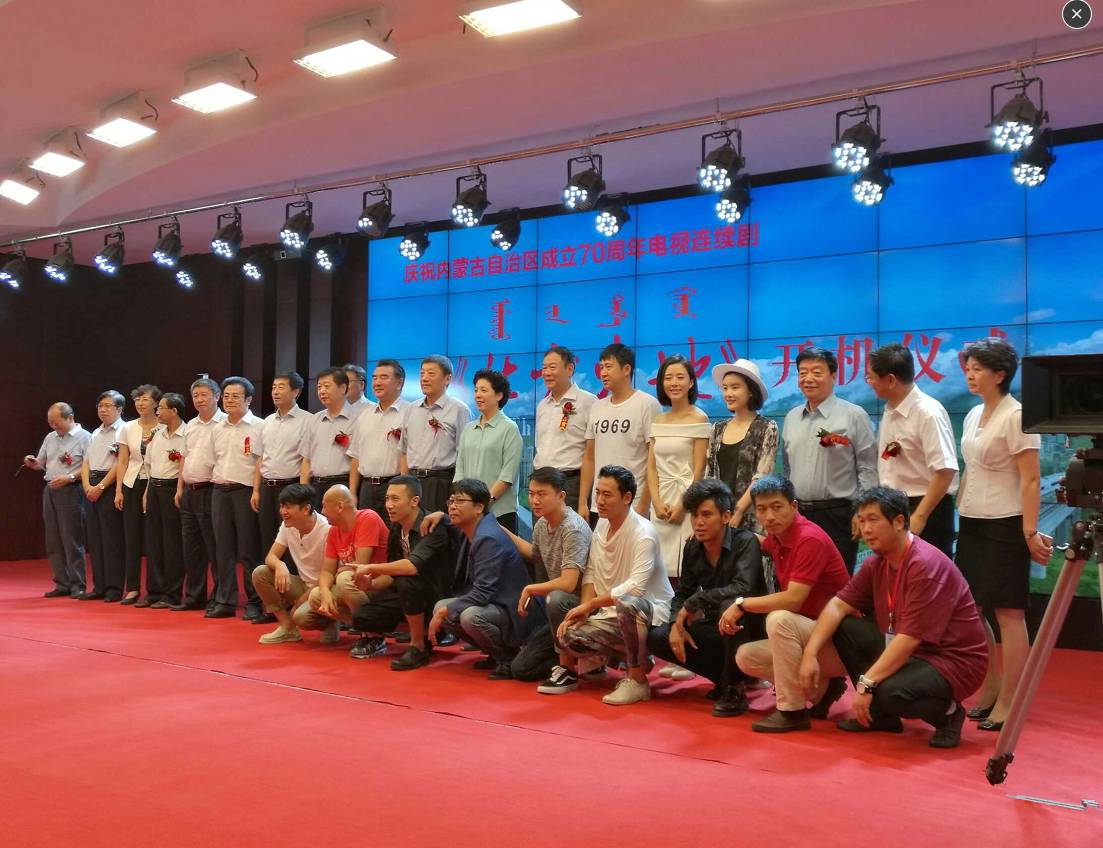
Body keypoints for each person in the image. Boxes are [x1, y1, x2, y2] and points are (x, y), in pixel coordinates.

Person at [800, 487, 988, 748]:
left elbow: (909, 640)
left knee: (889, 692)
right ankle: (880, 716)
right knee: (844, 626)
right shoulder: (877, 562)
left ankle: (948, 714)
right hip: (912, 648)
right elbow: (837, 606)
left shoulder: (923, 565)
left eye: (873, 520)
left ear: (899, 521)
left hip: (953, 661)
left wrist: (866, 685)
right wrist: (810, 654)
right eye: (861, 521)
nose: (866, 530)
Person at [956, 337, 1050, 731]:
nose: (970, 375)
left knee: (1008, 613)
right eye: (968, 368)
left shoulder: (1017, 415)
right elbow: (970, 470)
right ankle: (991, 685)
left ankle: (1012, 698)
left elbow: (1031, 480)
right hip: (972, 521)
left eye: (977, 369)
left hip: (1007, 522)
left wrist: (1030, 531)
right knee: (975, 609)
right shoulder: (972, 414)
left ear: (1000, 374)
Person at [732, 475, 851, 732]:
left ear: (794, 506)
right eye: (762, 509)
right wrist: (725, 534)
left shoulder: (809, 539)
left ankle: (792, 711)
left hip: (841, 640)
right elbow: (761, 542)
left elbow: (793, 600)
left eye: (777, 507)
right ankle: (824, 687)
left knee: (779, 619)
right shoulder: (778, 536)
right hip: (812, 632)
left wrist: (741, 604)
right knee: (746, 657)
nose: (769, 516)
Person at [549, 465, 674, 704]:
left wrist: (591, 605)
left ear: (626, 497)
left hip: (650, 614)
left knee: (628, 603)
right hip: (610, 613)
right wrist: (585, 611)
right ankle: (630, 657)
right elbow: (591, 573)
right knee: (567, 636)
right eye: (597, 493)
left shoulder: (643, 533)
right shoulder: (602, 524)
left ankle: (637, 680)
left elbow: (636, 589)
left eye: (607, 494)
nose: (599, 500)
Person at [646, 479, 767, 717]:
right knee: (657, 637)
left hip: (750, 629)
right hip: (715, 627)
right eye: (694, 515)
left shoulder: (745, 541)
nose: (698, 522)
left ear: (725, 516)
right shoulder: (692, 548)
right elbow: (683, 592)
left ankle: (735, 687)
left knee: (730, 606)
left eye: (706, 515)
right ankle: (724, 680)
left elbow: (742, 588)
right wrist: (675, 624)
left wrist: (696, 601)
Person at [427, 479, 543, 679]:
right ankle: (495, 655)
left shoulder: (488, 537)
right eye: (451, 501)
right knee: (441, 607)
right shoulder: (475, 525)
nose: (452, 506)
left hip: (515, 611)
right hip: (495, 604)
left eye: (459, 501)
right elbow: (453, 524)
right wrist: (442, 516)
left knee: (468, 616)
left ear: (479, 507)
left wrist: (446, 611)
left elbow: (482, 593)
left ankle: (507, 658)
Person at [346, 475, 460, 668]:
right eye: (387, 498)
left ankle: (419, 645)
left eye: (395, 499)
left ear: (414, 501)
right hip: (408, 595)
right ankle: (421, 631)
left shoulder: (433, 525)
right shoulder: (396, 527)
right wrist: (370, 584)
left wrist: (371, 567)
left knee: (407, 581)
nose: (388, 505)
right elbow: (391, 574)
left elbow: (411, 567)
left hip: (437, 597)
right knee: (362, 617)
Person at [781, 347, 877, 572]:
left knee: (837, 581)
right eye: (802, 372)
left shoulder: (854, 415)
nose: (808, 378)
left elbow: (868, 467)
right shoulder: (791, 417)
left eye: (816, 372)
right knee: (801, 579)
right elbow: (786, 469)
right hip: (799, 515)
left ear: (833, 376)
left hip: (839, 515)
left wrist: (863, 511)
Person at [866, 343, 959, 558]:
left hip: (926, 508)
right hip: (894, 506)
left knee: (927, 573)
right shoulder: (890, 409)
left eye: (870, 377)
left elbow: (945, 470)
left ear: (890, 380)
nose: (869, 383)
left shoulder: (928, 413)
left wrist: (920, 516)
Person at [504, 467, 592, 683]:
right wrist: (502, 531)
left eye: (541, 494)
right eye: (531, 494)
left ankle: (567, 668)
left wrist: (530, 589)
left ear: (561, 496)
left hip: (582, 606)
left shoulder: (572, 528)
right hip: (558, 611)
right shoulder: (543, 523)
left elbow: (569, 584)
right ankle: (577, 658)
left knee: (556, 598)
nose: (534, 500)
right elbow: (534, 554)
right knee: (521, 669)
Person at [291, 485, 388, 642]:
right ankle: (369, 627)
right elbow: (327, 571)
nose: (322, 511)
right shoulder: (334, 531)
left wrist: (339, 573)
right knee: (316, 596)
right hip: (356, 584)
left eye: (325, 505)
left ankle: (373, 635)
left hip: (379, 583)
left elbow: (360, 565)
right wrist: (325, 592)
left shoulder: (368, 518)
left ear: (340, 507)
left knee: (344, 579)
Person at [581, 343, 662, 523]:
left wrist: (643, 506)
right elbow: (589, 457)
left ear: (626, 369)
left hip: (633, 505)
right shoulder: (597, 407)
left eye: (608, 367)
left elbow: (654, 460)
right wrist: (582, 502)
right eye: (601, 367)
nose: (603, 373)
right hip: (599, 505)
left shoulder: (647, 404)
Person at [647, 354, 710, 577]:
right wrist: (655, 502)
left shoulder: (700, 419)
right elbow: (651, 467)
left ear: (691, 382)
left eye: (680, 377)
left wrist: (683, 505)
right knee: (656, 570)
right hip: (660, 502)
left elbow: (700, 470)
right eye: (668, 378)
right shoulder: (658, 420)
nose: (674, 383)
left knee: (685, 568)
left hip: (688, 500)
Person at [208, 376, 264, 620]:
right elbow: (215, 459)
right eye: (227, 396)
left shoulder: (259, 426)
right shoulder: (217, 427)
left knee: (249, 549)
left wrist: (256, 491)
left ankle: (255, 602)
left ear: (249, 400)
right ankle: (225, 600)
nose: (229, 400)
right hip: (219, 491)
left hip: (245, 491)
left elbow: (260, 462)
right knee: (223, 549)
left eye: (236, 396)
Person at [249, 484, 330, 644]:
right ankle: (287, 628)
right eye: (281, 506)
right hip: (303, 585)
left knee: (301, 616)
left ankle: (330, 623)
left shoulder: (326, 530)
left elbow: (329, 574)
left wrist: (302, 600)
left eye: (288, 507)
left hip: (324, 588)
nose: (283, 511)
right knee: (260, 573)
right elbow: (271, 556)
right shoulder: (288, 525)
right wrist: (280, 565)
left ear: (306, 509)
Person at [24, 402, 90, 598]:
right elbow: (41, 462)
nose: (53, 426)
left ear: (70, 418)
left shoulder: (85, 437)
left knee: (71, 539)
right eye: (50, 422)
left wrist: (69, 477)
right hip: (50, 489)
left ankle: (78, 584)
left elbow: (90, 467)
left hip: (71, 489)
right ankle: (61, 583)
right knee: (53, 540)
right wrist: (33, 463)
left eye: (57, 422)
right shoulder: (50, 437)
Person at [706, 359, 778, 534]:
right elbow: (710, 474)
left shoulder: (767, 427)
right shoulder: (717, 429)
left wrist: (738, 511)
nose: (728, 393)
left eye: (735, 387)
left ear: (751, 391)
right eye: (725, 388)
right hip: (719, 516)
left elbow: (762, 476)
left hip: (752, 517)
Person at [174, 376, 226, 611]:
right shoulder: (191, 425)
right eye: (195, 396)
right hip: (189, 491)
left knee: (214, 547)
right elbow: (184, 458)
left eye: (204, 395)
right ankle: (194, 597)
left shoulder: (224, 423)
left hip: (211, 490)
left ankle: (219, 597)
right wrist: (179, 488)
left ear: (217, 396)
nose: (199, 399)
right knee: (191, 548)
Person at [400, 355, 471, 514]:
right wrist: (404, 484)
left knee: (437, 527)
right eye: (422, 373)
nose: (424, 378)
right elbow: (404, 451)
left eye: (431, 373)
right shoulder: (411, 409)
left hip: (441, 482)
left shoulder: (459, 410)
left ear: (447, 379)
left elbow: (464, 454)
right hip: (412, 482)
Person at [454, 369, 523, 533]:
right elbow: (460, 470)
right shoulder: (468, 429)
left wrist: (483, 503)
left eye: (484, 390)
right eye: (476, 390)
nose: (478, 395)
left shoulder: (509, 428)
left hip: (500, 512)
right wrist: (463, 502)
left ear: (499, 395)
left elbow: (507, 476)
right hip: (469, 512)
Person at [534, 345, 597, 515]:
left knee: (571, 532)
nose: (546, 373)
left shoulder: (588, 402)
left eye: (552, 367)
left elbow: (591, 453)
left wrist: (583, 502)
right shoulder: (542, 406)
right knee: (541, 532)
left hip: (570, 484)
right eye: (544, 368)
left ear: (569, 369)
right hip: (540, 482)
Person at [114, 384, 162, 604]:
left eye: (145, 399)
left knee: (153, 538)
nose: (140, 403)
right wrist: (118, 490)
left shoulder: (163, 425)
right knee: (131, 537)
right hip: (131, 483)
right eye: (137, 400)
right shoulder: (127, 427)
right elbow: (123, 460)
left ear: (156, 402)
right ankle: (132, 588)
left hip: (155, 484)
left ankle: (155, 589)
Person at [142, 393, 188, 608]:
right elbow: (149, 465)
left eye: (161, 408)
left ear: (174, 411)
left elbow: (185, 466)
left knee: (172, 543)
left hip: (172, 489)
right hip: (154, 487)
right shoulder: (157, 433)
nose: (157, 411)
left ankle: (172, 594)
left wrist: (179, 490)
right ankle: (154, 592)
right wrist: (146, 492)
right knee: (154, 542)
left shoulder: (187, 433)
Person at [80, 390, 126, 602]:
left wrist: (100, 487)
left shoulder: (123, 430)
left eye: (108, 406)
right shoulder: (96, 432)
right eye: (100, 406)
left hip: (109, 485)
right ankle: (99, 586)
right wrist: (87, 485)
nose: (103, 410)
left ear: (119, 409)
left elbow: (120, 463)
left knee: (111, 539)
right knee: (95, 539)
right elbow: (86, 462)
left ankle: (114, 588)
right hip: (92, 484)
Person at [348, 359, 408, 517]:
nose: (377, 383)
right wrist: (352, 493)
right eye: (374, 378)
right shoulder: (365, 414)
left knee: (394, 531)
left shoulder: (410, 412)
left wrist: (403, 490)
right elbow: (355, 456)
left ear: (399, 382)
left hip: (394, 486)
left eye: (384, 377)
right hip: (366, 487)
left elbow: (409, 455)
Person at [300, 367, 354, 505]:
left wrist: (353, 492)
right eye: (319, 387)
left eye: (327, 386)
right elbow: (306, 459)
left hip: (343, 484)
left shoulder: (357, 418)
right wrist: (304, 491)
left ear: (343, 388)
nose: (322, 391)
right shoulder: (314, 420)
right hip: (316, 485)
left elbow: (356, 459)